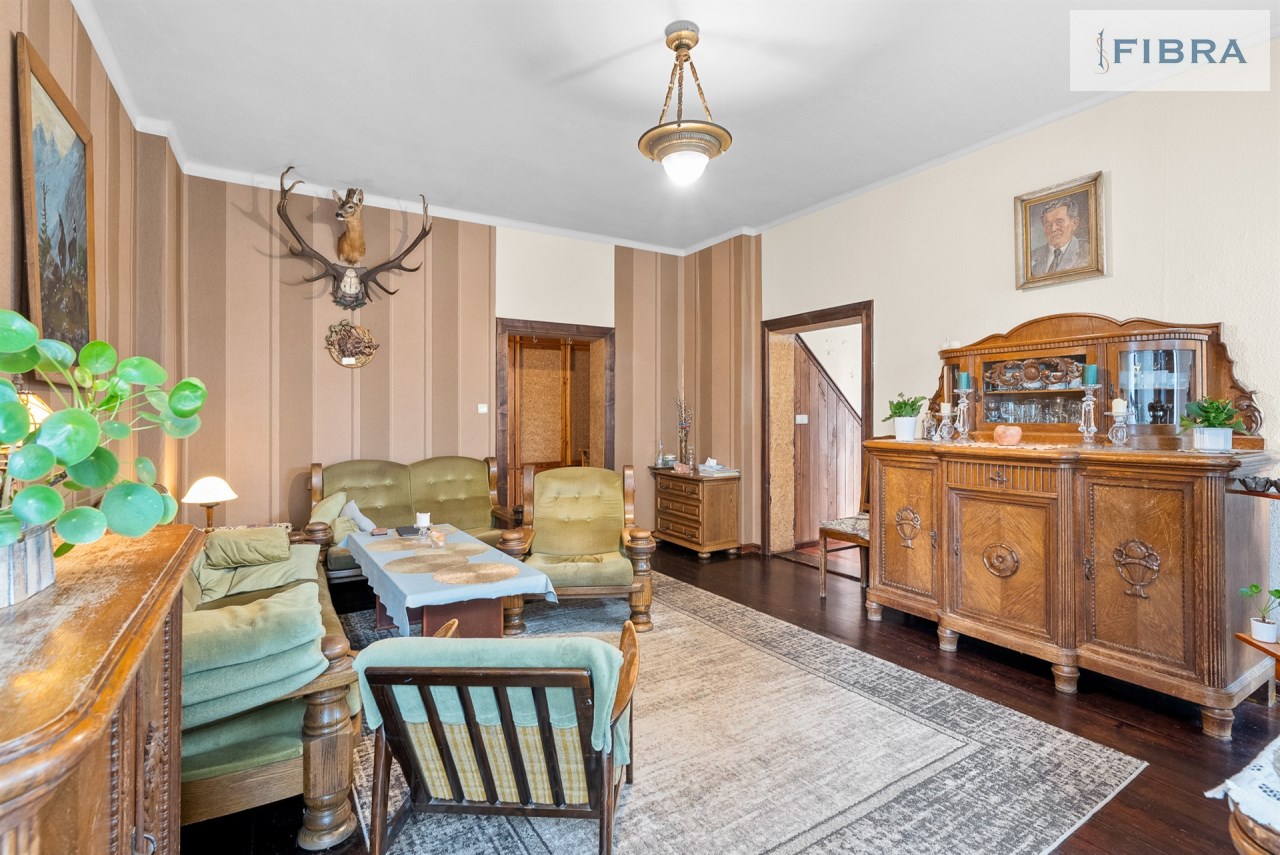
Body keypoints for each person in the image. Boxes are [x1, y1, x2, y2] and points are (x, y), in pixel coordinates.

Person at [1029, 196, 1090, 277]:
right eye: (1048, 225)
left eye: (1059, 222)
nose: (1053, 229)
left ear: (1074, 223)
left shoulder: (1088, 251)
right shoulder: (1031, 257)